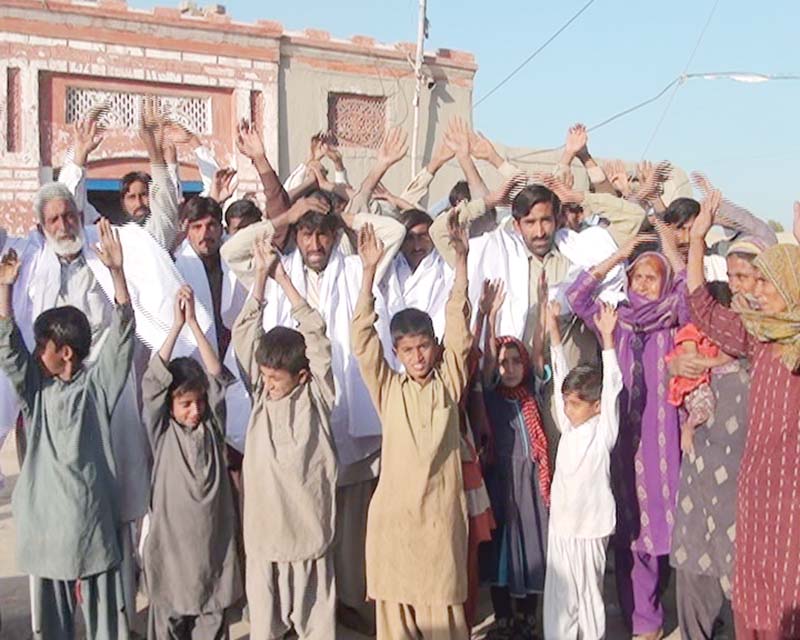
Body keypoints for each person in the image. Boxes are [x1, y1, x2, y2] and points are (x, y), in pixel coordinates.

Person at [223, 128, 408, 634]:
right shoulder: (279, 267)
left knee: (344, 525)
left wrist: (341, 214)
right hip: (295, 427)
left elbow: (390, 235)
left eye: (321, 233)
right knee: (296, 519)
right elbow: (232, 253)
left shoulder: (353, 266)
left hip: (349, 416)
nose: (315, 242)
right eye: (306, 234)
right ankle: (288, 618)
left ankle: (347, 601)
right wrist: (286, 216)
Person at [0, 220, 135, 639]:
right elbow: (9, 347)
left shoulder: (96, 388)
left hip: (92, 530)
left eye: (44, 346)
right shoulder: (37, 392)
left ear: (67, 353)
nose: (37, 353)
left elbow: (123, 337)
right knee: (55, 627)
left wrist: (117, 273)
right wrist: (5, 289)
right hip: (48, 533)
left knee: (104, 624)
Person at [351, 216, 472, 640]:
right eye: (408, 350)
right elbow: (363, 342)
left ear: (434, 349)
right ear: (397, 353)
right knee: (395, 621)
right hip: (394, 526)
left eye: (424, 347)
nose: (418, 357)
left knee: (444, 616)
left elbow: (459, 330)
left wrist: (461, 264)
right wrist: (368, 274)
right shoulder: (388, 389)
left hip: (439, 525)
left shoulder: (449, 384)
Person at [686, 193, 800, 640]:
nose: (756, 291)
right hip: (757, 488)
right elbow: (704, 309)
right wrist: (697, 242)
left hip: (793, 495)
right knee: (754, 585)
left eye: (768, 284)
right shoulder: (762, 337)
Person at [567, 225, 688, 639]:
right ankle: (636, 612)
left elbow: (691, 293)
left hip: (662, 439)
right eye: (637, 277)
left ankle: (649, 614)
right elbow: (576, 297)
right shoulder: (616, 320)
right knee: (624, 525)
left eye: (651, 277)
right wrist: (618, 258)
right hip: (619, 439)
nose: (641, 284)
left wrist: (669, 249)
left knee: (657, 526)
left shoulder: (674, 318)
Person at [232, 237, 338, 640]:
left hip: (308, 538)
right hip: (264, 539)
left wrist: (285, 281)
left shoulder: (318, 396)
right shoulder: (260, 395)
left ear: (303, 375)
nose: (269, 384)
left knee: (316, 627)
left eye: (277, 379)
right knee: (265, 628)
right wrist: (260, 279)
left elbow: (316, 334)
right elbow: (245, 335)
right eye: (266, 376)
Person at [141, 285, 242, 639]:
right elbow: (153, 382)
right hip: (172, 553)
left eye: (198, 402)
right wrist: (175, 328)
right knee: (169, 619)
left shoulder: (212, 427)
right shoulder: (162, 433)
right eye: (185, 404)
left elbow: (216, 377)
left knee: (212, 618)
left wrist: (195, 327)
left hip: (212, 550)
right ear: (169, 406)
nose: (195, 410)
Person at [542, 300, 623, 640]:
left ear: (595, 405)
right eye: (565, 403)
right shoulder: (568, 426)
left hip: (591, 528)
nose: (567, 409)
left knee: (589, 597)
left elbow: (614, 385)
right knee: (560, 598)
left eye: (575, 404)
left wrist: (608, 340)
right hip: (562, 527)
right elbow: (560, 373)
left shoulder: (603, 430)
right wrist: (555, 335)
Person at [479, 274, 550, 639]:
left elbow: (539, 352)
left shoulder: (532, 394)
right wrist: (490, 317)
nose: (508, 369)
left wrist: (540, 307)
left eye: (514, 362)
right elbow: (488, 362)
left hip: (531, 490)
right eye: (504, 363)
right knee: (500, 554)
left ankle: (528, 617)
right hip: (500, 487)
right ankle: (503, 617)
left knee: (532, 548)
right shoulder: (492, 395)